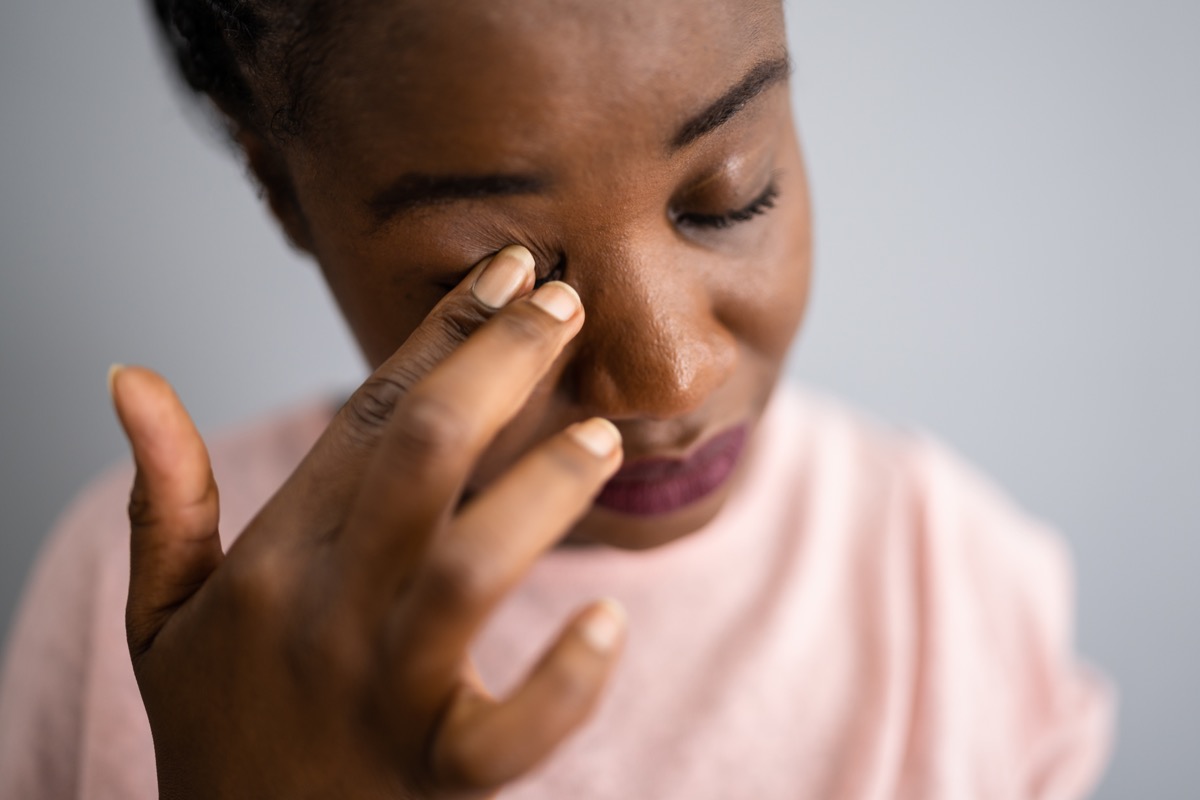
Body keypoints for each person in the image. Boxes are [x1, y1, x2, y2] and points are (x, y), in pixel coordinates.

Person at [0, 0, 1114, 797]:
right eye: (500, 276)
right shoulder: (160, 619)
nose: (670, 378)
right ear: (283, 193)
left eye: (730, 198)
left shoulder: (953, 585)